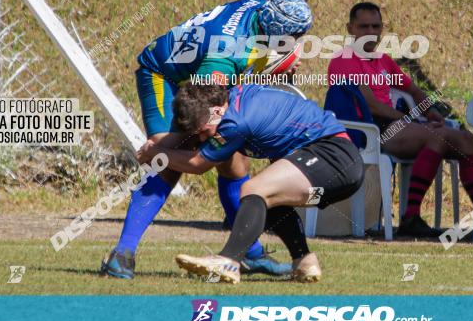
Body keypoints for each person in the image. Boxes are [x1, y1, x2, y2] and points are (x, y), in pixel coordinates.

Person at [101, 0, 312, 279]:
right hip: (164, 76)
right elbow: (204, 109)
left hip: (197, 73)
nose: (297, 44)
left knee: (236, 163)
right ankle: (122, 253)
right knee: (170, 160)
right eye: (295, 37)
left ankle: (250, 254)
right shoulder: (224, 56)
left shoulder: (261, 8)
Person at [135, 83, 364, 284]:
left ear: (216, 111)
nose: (203, 138)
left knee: (254, 190)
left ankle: (228, 261)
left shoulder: (234, 122)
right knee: (268, 199)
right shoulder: (232, 104)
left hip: (335, 158)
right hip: (338, 173)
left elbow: (198, 164)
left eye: (204, 131)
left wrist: (155, 152)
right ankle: (304, 260)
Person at [327, 1, 473, 239]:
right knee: (435, 138)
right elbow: (370, 105)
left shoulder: (383, 60)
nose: (370, 32)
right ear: (350, 29)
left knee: (467, 140)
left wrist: (429, 111)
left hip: (398, 124)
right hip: (373, 129)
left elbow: (414, 91)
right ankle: (410, 217)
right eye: (363, 26)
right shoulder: (343, 60)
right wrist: (409, 119)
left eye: (375, 26)